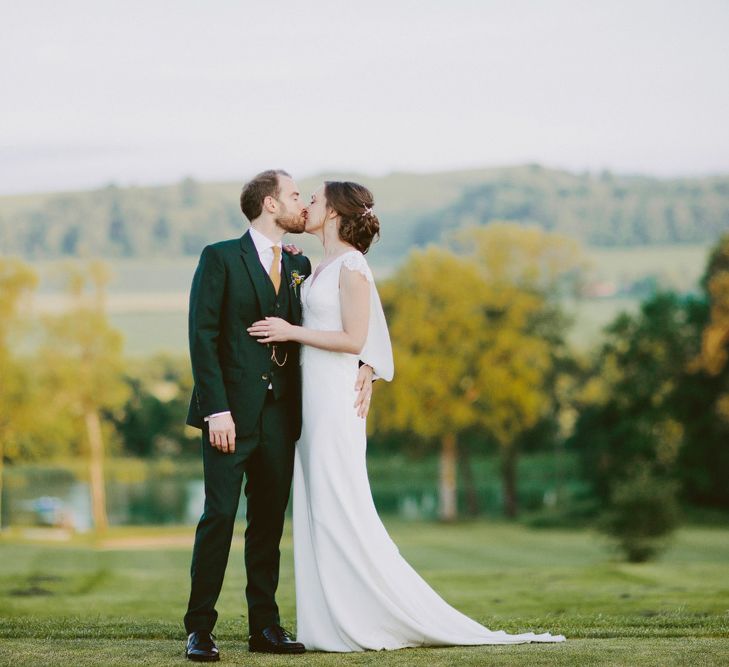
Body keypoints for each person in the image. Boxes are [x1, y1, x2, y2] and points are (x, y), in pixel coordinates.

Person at [247, 180, 566, 651]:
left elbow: (356, 337)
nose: (309, 204)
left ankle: (366, 617)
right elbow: (358, 335)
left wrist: (293, 332)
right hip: (311, 403)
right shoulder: (317, 266)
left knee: (342, 505)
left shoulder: (352, 265)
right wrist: (367, 365)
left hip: (334, 402)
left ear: (334, 212)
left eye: (315, 199)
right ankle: (331, 619)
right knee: (320, 506)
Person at [183, 170, 374, 662]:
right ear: (270, 204)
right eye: (294, 196)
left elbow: (340, 317)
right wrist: (216, 410)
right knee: (219, 516)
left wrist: (369, 364)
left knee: (267, 524)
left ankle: (264, 627)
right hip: (229, 415)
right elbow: (202, 337)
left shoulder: (301, 263)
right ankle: (199, 629)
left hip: (281, 416)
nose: (301, 204)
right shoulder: (220, 257)